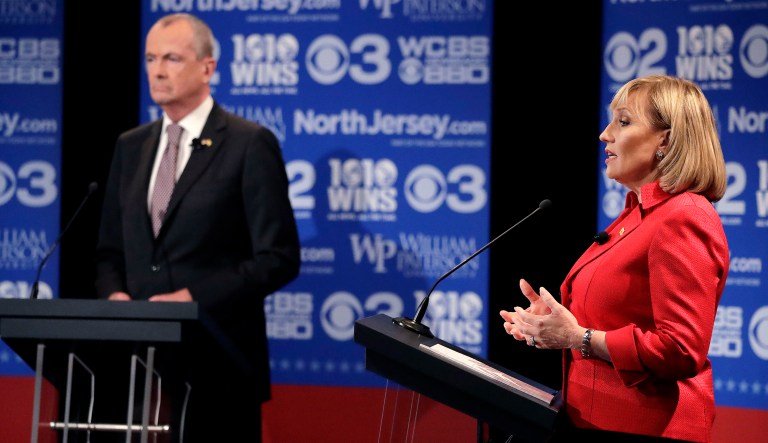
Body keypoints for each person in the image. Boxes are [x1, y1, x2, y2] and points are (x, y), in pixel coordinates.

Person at [93, 12, 300, 443]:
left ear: (208, 67)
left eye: (171, 57)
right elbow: (111, 250)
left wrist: (192, 299)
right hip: (138, 365)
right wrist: (115, 298)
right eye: (150, 58)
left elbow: (278, 258)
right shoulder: (130, 146)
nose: (157, 70)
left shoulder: (248, 143)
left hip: (218, 365)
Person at [500, 75, 728, 443]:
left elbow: (680, 349)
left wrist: (579, 336)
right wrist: (551, 325)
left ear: (665, 141)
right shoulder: (638, 215)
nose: (605, 135)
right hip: (594, 421)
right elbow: (622, 316)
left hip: (647, 428)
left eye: (623, 121)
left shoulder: (684, 217)